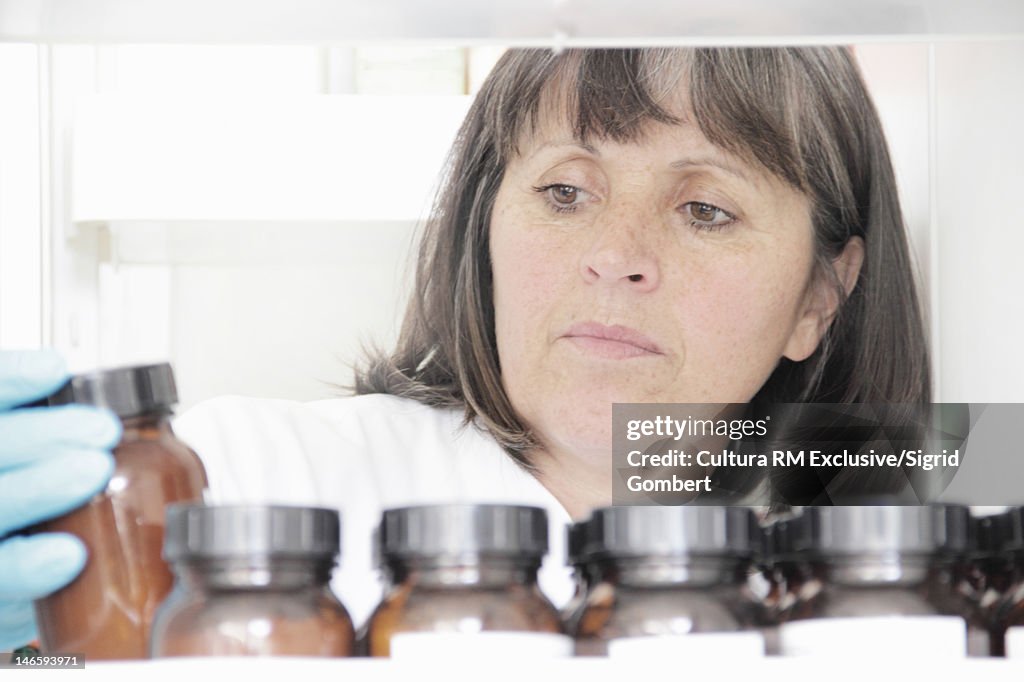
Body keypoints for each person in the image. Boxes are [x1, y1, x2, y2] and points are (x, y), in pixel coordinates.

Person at [0, 46, 929, 646]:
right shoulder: (236, 475)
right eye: (566, 191)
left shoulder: (900, 558)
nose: (616, 258)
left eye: (704, 209)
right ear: (485, 224)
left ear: (820, 295)